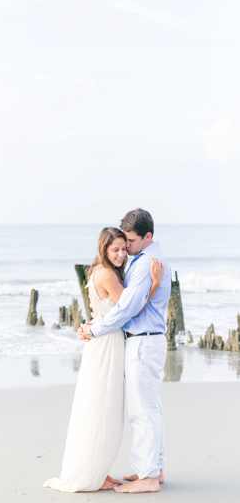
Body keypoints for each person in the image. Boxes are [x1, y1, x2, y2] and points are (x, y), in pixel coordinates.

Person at [43, 226, 164, 492]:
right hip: (108, 343)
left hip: (104, 341)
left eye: (124, 248)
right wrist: (155, 283)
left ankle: (98, 470)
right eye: (116, 249)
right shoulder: (108, 274)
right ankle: (93, 472)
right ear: (104, 249)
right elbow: (130, 311)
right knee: (103, 407)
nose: (122, 254)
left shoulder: (98, 271)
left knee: (100, 406)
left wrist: (92, 325)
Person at [79, 209, 171, 494]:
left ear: (147, 237)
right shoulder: (142, 260)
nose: (126, 247)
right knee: (149, 407)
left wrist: (95, 329)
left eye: (130, 241)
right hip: (146, 339)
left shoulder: (146, 264)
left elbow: (128, 307)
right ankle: (154, 468)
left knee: (141, 411)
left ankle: (149, 477)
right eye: (122, 243)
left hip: (143, 340)